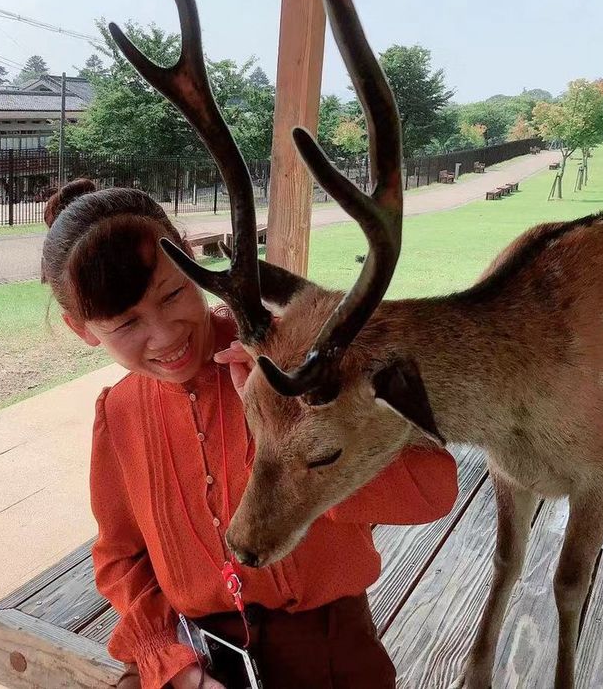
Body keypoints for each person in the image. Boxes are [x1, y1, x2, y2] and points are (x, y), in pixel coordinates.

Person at [41, 179, 460, 689]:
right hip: (206, 666)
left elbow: (432, 493)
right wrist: (172, 662)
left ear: (195, 261)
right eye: (125, 324)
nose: (167, 334)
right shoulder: (121, 413)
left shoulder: (299, 363)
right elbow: (121, 556)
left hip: (334, 656)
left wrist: (279, 431)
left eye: (173, 293)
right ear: (81, 329)